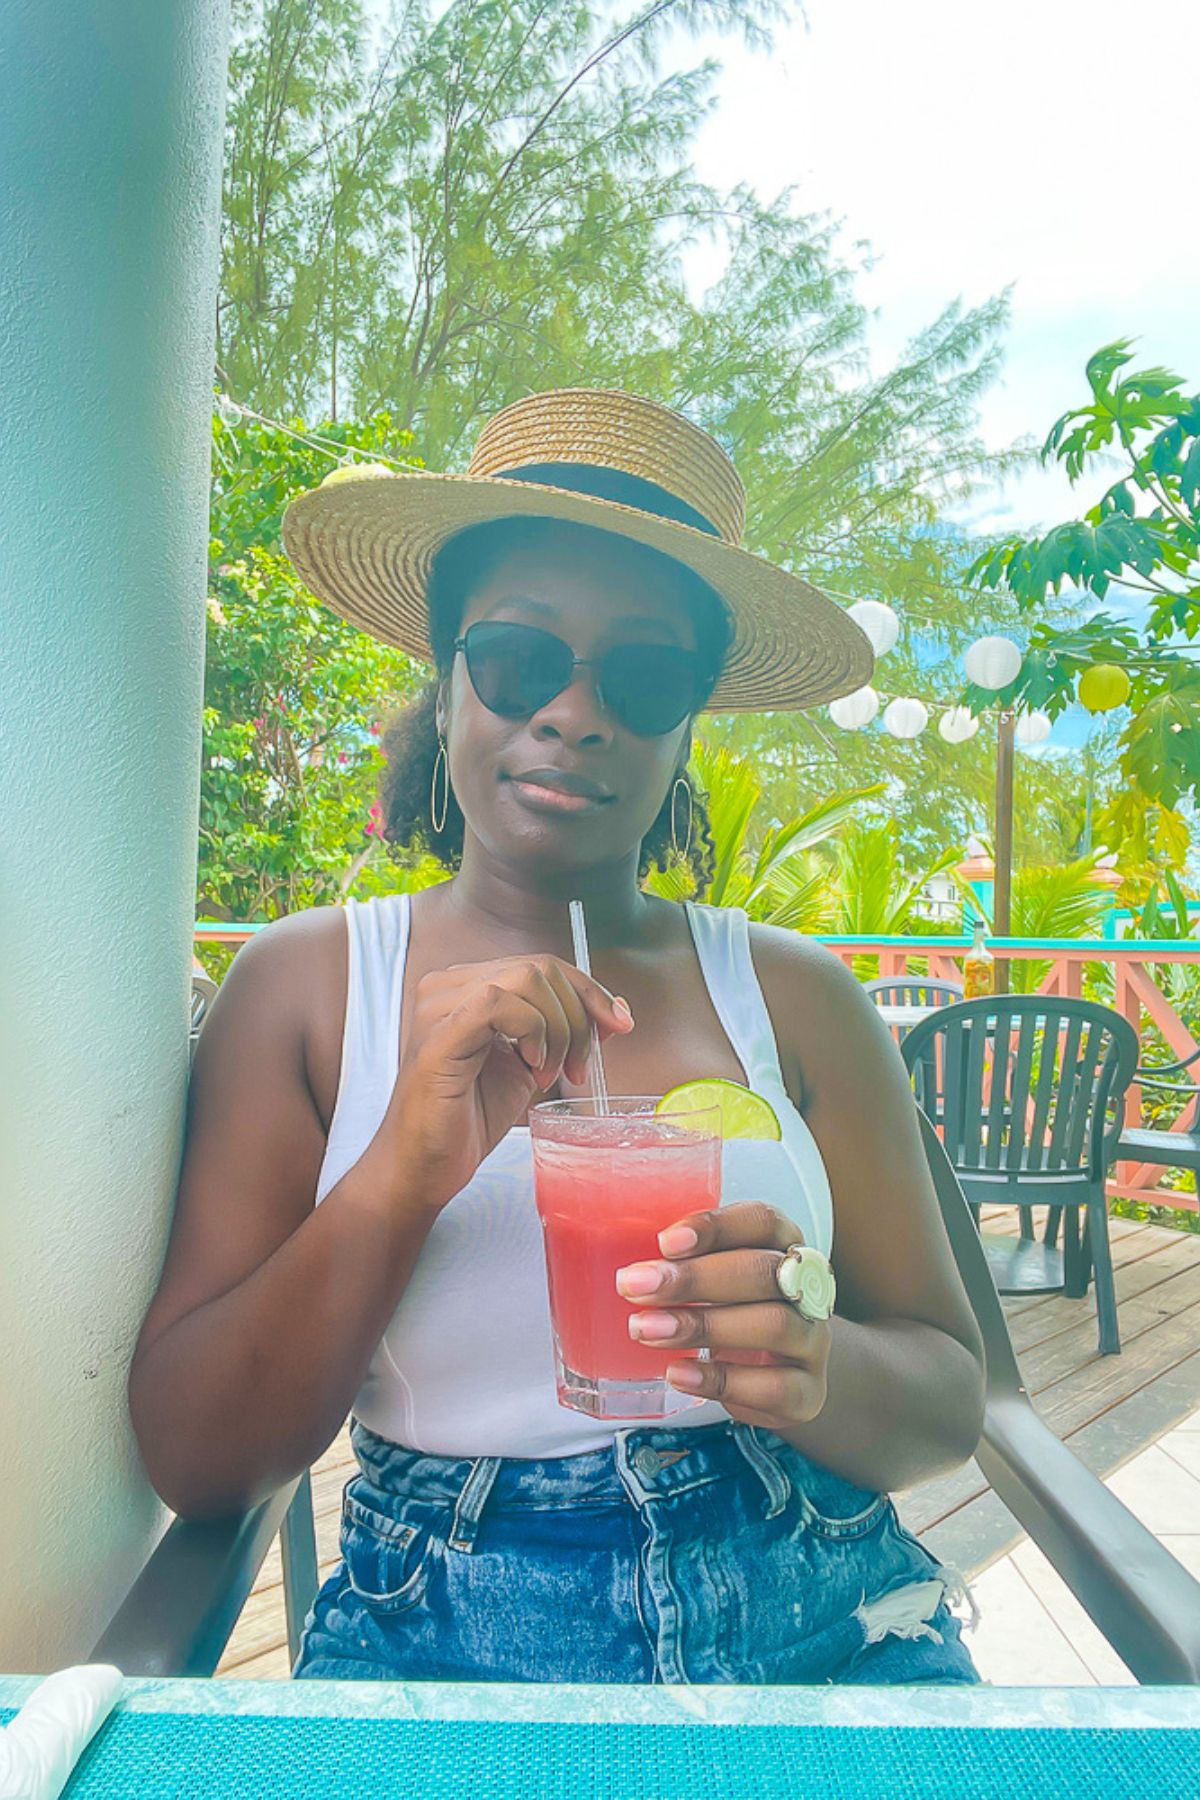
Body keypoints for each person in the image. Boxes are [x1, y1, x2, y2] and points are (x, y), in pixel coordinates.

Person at [129, 388, 984, 1684]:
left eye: (639, 677)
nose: (575, 712)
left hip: (818, 1598)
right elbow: (199, 1457)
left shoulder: (799, 998)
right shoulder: (306, 987)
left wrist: (814, 1361)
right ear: (448, 672)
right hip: (445, 1625)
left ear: (691, 715)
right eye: (522, 658)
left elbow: (946, 1401)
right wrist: (402, 1178)